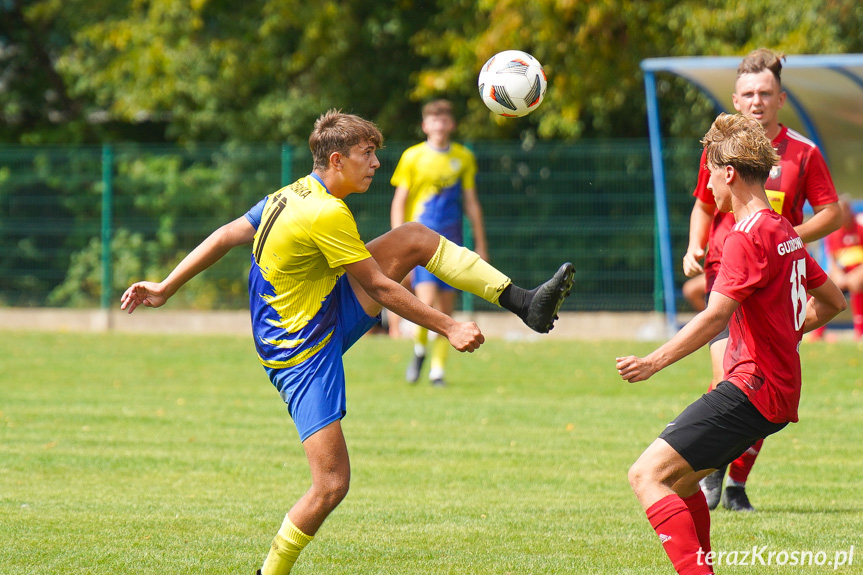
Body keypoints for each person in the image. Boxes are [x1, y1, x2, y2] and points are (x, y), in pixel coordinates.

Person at [120, 110, 574, 575]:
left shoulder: (292, 192)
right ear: (337, 159)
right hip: (301, 351)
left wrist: (166, 286)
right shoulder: (325, 212)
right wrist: (448, 325)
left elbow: (226, 234)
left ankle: (525, 303)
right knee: (331, 484)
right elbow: (380, 289)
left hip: (320, 308)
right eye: (367, 154)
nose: (376, 163)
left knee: (413, 237)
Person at [618, 113, 846, 575]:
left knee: (645, 475)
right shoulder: (783, 230)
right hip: (776, 393)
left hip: (751, 388)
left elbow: (715, 315)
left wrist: (653, 362)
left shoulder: (745, 238)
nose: (709, 191)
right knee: (681, 483)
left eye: (709, 176)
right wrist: (789, 328)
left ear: (728, 173)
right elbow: (834, 301)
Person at [681, 48, 841, 512]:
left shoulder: (803, 154)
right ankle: (711, 471)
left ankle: (735, 481)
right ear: (735, 97)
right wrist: (695, 245)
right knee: (728, 375)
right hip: (723, 270)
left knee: (762, 384)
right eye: (748, 93)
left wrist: (788, 234)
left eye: (765, 94)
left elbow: (831, 212)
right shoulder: (721, 149)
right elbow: (704, 205)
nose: (756, 102)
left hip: (774, 280)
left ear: (780, 98)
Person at [390, 99, 489, 386]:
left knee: (446, 309)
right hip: (420, 243)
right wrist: (398, 243)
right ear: (425, 125)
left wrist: (481, 244)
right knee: (427, 303)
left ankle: (437, 371)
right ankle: (420, 350)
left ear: (452, 124)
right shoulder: (413, 156)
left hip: (453, 240)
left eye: (444, 119)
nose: (439, 125)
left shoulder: (463, 157)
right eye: (434, 120)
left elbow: (471, 203)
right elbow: (400, 201)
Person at [822, 197, 863, 340]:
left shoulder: (860, 227)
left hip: (859, 271)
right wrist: (838, 274)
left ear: (850, 211)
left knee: (856, 282)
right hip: (844, 273)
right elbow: (832, 260)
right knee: (820, 286)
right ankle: (817, 333)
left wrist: (857, 273)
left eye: (844, 211)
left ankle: (860, 331)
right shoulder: (833, 231)